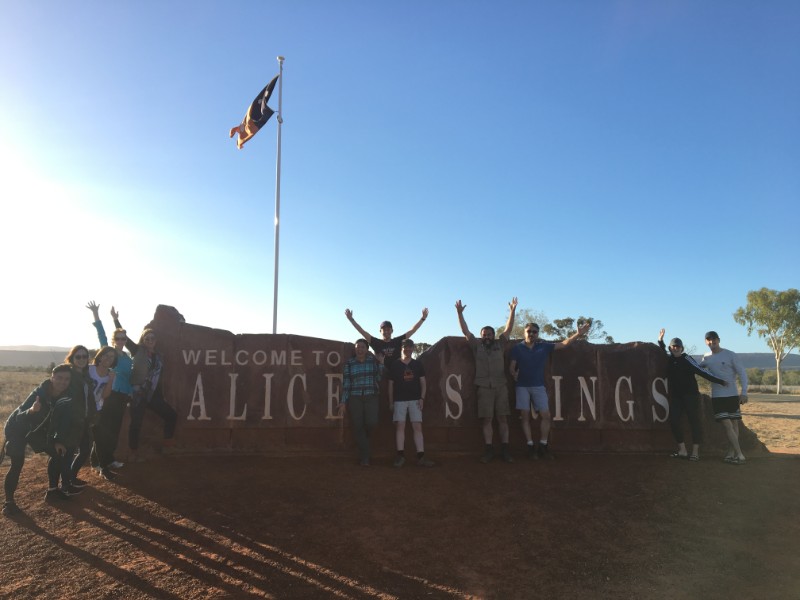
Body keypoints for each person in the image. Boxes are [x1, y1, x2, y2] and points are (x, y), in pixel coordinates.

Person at [509, 320, 591, 460]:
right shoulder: (517, 348)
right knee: (525, 416)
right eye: (529, 331)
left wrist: (578, 334)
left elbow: (564, 344)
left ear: (538, 334)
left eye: (535, 332)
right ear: (524, 332)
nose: (532, 334)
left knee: (546, 416)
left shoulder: (544, 347)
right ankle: (530, 446)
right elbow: (512, 366)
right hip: (522, 386)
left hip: (538, 386)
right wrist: (513, 373)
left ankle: (543, 445)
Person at [2, 364, 72, 515]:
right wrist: (32, 410)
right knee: (17, 463)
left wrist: (57, 440)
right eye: (59, 378)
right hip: (17, 429)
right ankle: (9, 503)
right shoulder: (38, 393)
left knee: (58, 452)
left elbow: (59, 422)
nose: (62, 382)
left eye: (66, 379)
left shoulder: (65, 397)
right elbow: (19, 417)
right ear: (52, 378)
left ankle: (52, 491)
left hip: (37, 431)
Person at [455, 297, 517, 463]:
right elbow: (465, 331)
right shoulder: (477, 346)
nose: (487, 337)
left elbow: (509, 328)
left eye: (489, 334)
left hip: (500, 386)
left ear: (493, 335)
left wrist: (512, 311)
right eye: (484, 335)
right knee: (487, 419)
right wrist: (459, 314)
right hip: (483, 387)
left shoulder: (500, 345)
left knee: (503, 418)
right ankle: (489, 450)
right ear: (481, 336)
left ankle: (505, 449)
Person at [113, 311, 177, 460]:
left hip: (154, 394)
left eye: (152, 338)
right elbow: (125, 338)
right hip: (138, 394)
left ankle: (168, 446)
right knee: (136, 423)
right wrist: (116, 320)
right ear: (143, 339)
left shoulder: (159, 355)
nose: (150, 340)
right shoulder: (137, 351)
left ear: (156, 340)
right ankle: (133, 453)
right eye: (147, 338)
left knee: (171, 415)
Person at [657, 329, 726, 461]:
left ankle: (695, 452)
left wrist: (720, 381)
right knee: (674, 420)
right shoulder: (670, 359)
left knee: (694, 421)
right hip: (676, 397)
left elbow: (702, 372)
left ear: (682, 348)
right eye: (673, 347)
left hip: (691, 396)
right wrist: (660, 340)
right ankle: (682, 450)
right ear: (671, 348)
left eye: (678, 346)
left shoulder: (687, 359)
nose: (675, 348)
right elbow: (662, 351)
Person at [87, 301, 131, 471]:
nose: (121, 340)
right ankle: (97, 462)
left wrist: (131, 392)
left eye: (124, 338)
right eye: (118, 338)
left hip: (122, 397)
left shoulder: (127, 358)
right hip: (109, 394)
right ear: (114, 340)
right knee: (103, 430)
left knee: (114, 429)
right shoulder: (110, 354)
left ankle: (108, 459)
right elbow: (101, 335)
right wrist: (96, 315)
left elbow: (128, 378)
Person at [700, 331, 749, 465]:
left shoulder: (730, 355)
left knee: (734, 424)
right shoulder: (706, 357)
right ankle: (740, 454)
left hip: (732, 395)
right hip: (717, 396)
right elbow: (697, 369)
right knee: (727, 425)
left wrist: (744, 392)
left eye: (714, 339)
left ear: (718, 340)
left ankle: (731, 453)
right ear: (706, 342)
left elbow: (742, 374)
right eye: (708, 340)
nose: (711, 342)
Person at [338, 339, 385, 466]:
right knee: (357, 426)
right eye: (358, 347)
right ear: (355, 349)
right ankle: (365, 457)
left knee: (372, 422)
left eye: (362, 347)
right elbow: (347, 383)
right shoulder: (350, 363)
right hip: (355, 397)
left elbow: (379, 377)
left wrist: (380, 364)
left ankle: (364, 443)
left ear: (367, 349)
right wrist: (343, 401)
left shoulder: (372, 361)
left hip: (371, 396)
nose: (360, 349)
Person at [388, 339, 434, 468]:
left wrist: (422, 398)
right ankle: (400, 456)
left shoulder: (417, 364)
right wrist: (391, 402)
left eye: (409, 347)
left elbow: (423, 383)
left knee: (417, 427)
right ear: (401, 348)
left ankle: (421, 456)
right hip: (399, 400)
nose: (407, 349)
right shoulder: (395, 365)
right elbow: (390, 385)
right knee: (400, 426)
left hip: (415, 400)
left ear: (413, 349)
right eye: (405, 347)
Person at [344, 308, 429, 367]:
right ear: (380, 331)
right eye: (384, 329)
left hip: (396, 373)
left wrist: (423, 318)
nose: (386, 331)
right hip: (381, 374)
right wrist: (351, 319)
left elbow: (412, 331)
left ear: (392, 331)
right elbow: (362, 331)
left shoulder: (398, 341)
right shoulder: (376, 342)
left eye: (388, 329)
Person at [65, 345, 95, 491]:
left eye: (85, 356)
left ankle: (71, 477)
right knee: (69, 452)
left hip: (84, 419)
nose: (82, 359)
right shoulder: (68, 375)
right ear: (72, 358)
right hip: (72, 421)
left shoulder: (86, 375)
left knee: (84, 450)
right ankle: (66, 484)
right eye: (78, 356)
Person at [86, 346, 119, 480]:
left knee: (100, 439)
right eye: (106, 355)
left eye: (111, 357)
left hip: (96, 410)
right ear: (99, 356)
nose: (108, 359)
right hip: (83, 409)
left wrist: (110, 380)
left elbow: (105, 395)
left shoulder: (110, 375)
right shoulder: (89, 369)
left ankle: (103, 468)